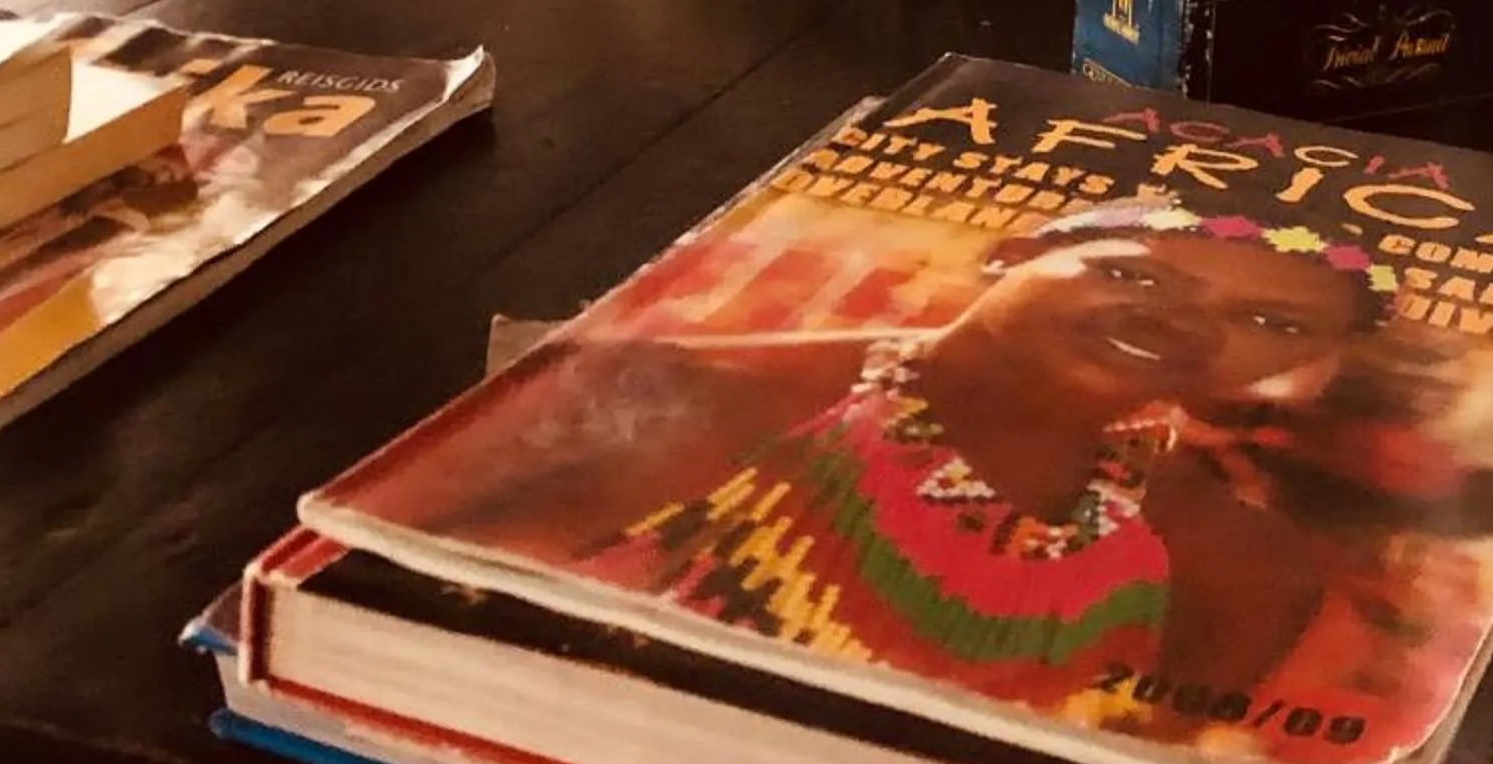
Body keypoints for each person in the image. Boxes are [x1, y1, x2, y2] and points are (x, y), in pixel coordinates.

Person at [362, 201, 1410, 734]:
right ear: (1011, 255)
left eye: (1269, 321)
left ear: (1301, 371)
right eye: (1133, 269)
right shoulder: (696, 390)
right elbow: (354, 572)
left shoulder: (1238, 562)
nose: (1174, 321)